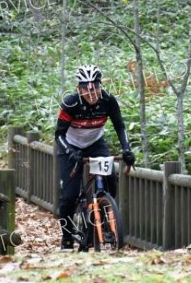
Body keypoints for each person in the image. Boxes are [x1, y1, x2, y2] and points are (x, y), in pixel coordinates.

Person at [54, 64, 136, 250]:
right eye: (86, 88)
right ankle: (66, 237)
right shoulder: (70, 103)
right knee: (69, 196)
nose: (91, 93)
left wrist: (127, 149)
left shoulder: (108, 100)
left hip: (95, 144)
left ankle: (106, 216)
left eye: (95, 87)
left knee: (111, 179)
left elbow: (120, 126)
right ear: (79, 88)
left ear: (100, 86)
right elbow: (58, 135)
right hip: (70, 146)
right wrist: (69, 151)